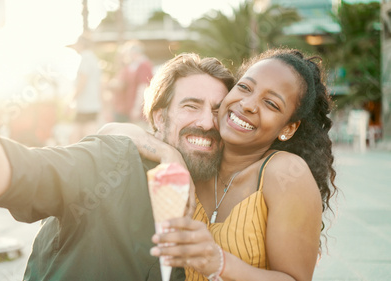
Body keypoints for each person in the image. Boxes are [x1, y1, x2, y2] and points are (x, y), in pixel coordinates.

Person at [0, 5, 235, 278]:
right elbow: (2, 171)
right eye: (191, 106)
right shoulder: (113, 162)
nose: (207, 122)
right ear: (159, 118)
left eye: (218, 111)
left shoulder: (230, 190)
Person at [101, 48, 338, 281]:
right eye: (244, 87)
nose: (248, 105)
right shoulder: (199, 155)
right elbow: (111, 132)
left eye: (271, 104)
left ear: (288, 128)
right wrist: (168, 154)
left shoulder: (286, 173)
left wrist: (220, 263)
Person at [68, 34, 103, 143]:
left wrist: (71, 100)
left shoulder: (86, 57)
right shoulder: (93, 58)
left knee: (78, 137)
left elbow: (82, 81)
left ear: (81, 45)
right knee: (83, 135)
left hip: (86, 105)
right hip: (91, 104)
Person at [110, 40, 153, 123]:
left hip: (139, 112)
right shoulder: (134, 66)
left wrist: (137, 108)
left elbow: (143, 88)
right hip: (129, 111)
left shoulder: (144, 65)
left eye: (127, 53)